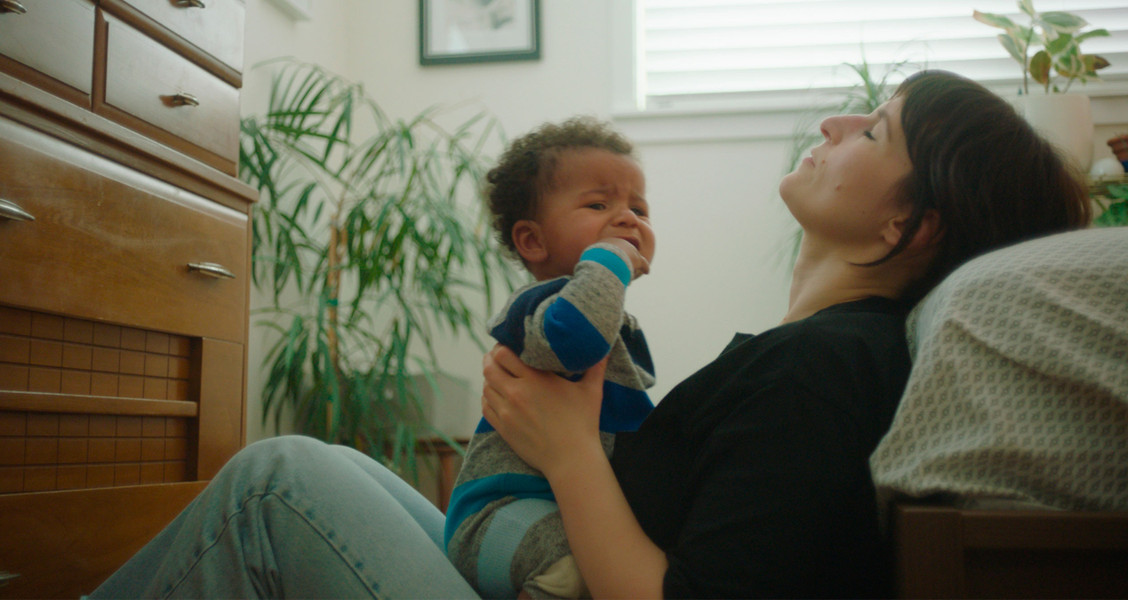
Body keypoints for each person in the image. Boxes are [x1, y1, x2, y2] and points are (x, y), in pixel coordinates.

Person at [88, 70, 1090, 599]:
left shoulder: (825, 371)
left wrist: (568, 449)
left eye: (873, 131)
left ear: (905, 226)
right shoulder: (817, 358)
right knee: (309, 468)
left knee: (278, 488)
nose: (833, 124)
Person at [444, 117, 657, 599]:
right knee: (571, 565)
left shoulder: (612, 321)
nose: (628, 219)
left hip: (562, 508)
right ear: (533, 242)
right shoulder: (539, 306)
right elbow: (574, 340)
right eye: (599, 204)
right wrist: (614, 260)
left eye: (639, 209)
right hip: (498, 516)